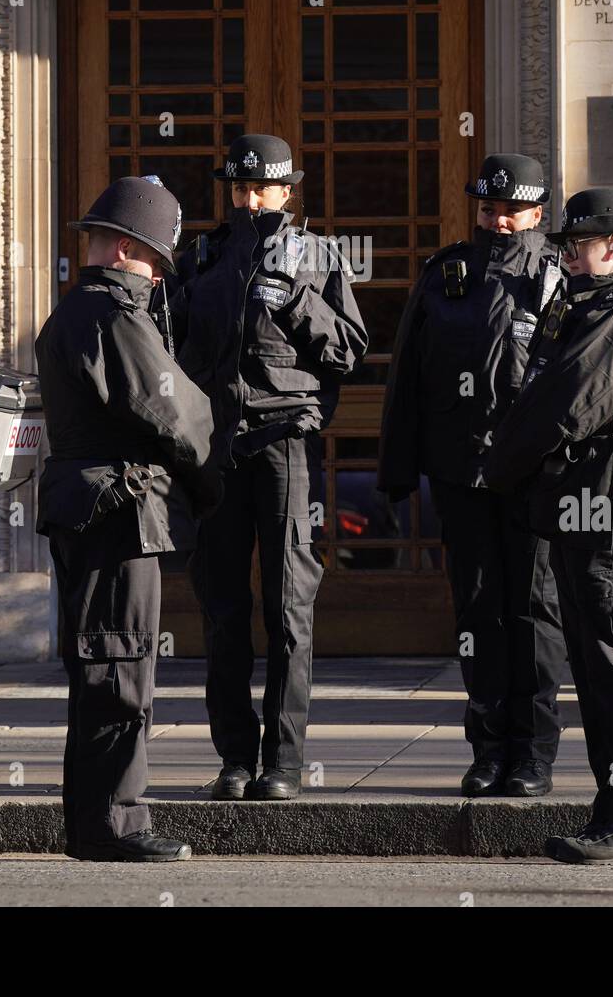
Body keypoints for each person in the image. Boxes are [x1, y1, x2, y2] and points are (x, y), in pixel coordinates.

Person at [170, 134, 368, 801]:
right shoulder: (202, 255)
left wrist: (297, 300)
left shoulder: (317, 256)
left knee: (289, 607)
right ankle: (234, 755)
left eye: (264, 188)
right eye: (241, 188)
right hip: (217, 446)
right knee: (222, 608)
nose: (252, 199)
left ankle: (282, 760)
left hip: (286, 442)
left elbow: (347, 353)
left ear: (288, 191)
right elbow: (170, 348)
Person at [484, 188, 613, 865]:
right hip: (586, 503)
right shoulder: (594, 303)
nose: (565, 256)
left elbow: (565, 406)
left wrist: (498, 469)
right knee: (598, 669)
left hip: (612, 506)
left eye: (576, 246)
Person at [35, 176, 222, 862]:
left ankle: (94, 823)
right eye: (152, 261)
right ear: (121, 249)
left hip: (85, 502)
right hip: (117, 506)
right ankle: (116, 823)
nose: (155, 277)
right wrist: (211, 475)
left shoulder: (69, 313)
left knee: (99, 668)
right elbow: (173, 411)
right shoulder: (115, 315)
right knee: (120, 665)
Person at [377, 153, 566, 798]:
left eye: (512, 209)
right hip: (461, 470)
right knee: (478, 611)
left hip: (535, 475)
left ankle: (534, 752)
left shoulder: (559, 277)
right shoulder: (444, 273)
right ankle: (488, 748)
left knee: (534, 614)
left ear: (538, 212)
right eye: (489, 208)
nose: (499, 220)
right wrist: (398, 466)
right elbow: (407, 374)